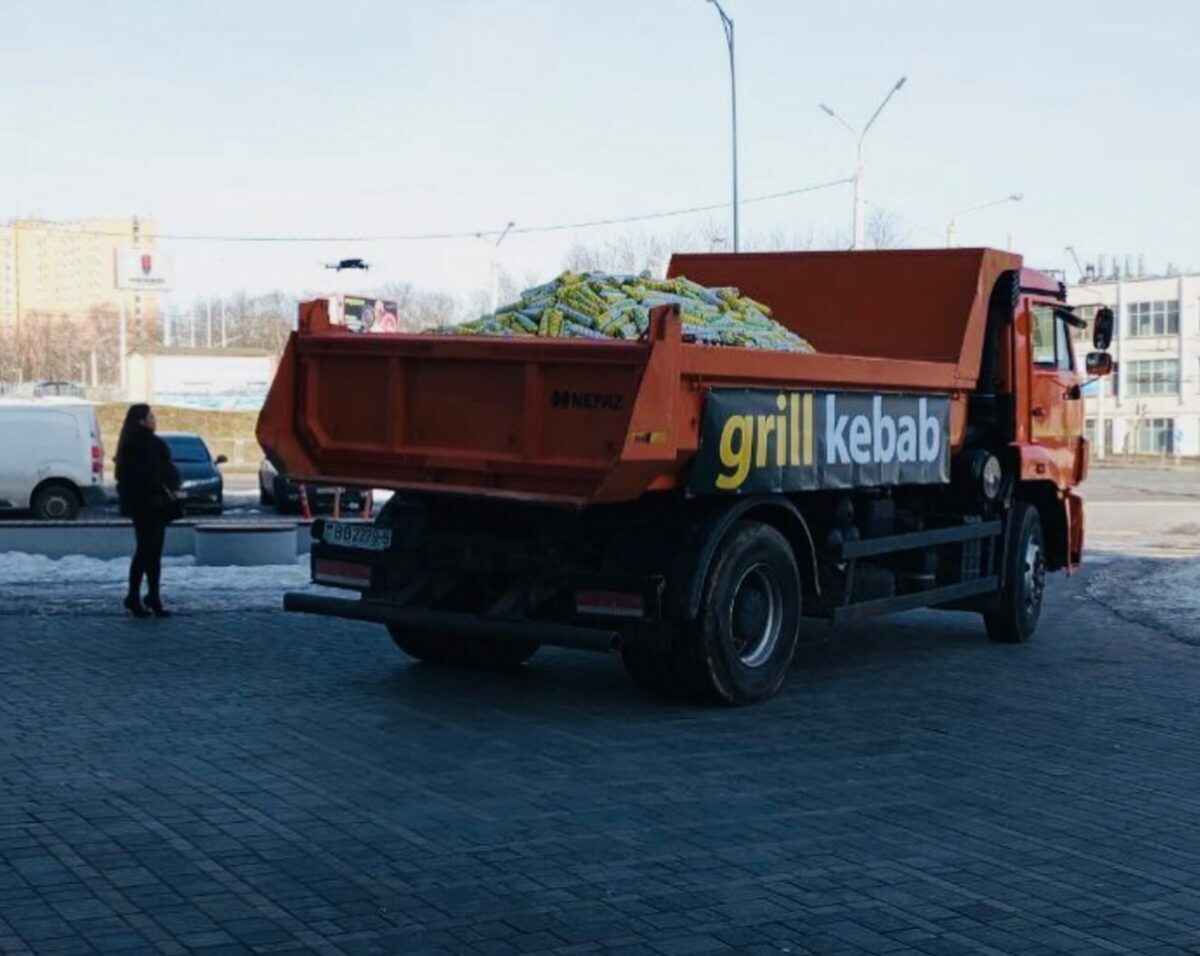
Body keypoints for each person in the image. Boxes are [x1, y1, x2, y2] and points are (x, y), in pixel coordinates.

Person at [114, 404, 180, 618]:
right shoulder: (150, 445)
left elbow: (123, 478)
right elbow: (163, 474)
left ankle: (145, 596)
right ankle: (143, 596)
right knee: (150, 552)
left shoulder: (127, 445)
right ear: (141, 421)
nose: (154, 419)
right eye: (151, 416)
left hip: (139, 506)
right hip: (153, 505)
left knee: (146, 551)